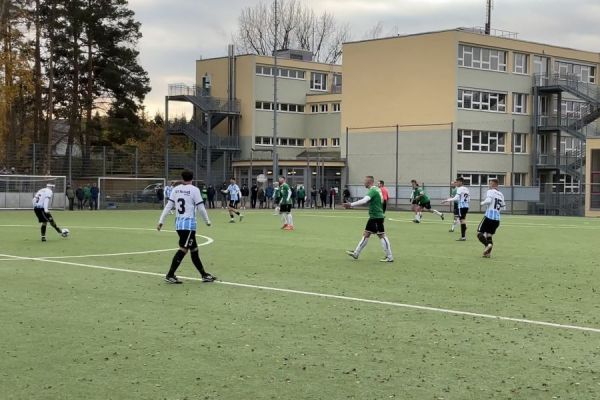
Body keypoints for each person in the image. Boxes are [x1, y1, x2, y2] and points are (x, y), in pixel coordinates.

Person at [157, 170, 217, 284]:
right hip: (188, 225)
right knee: (183, 250)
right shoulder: (194, 190)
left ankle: (204, 275)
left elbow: (168, 206)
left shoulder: (176, 189)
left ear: (182, 178)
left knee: (194, 250)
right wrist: (207, 221)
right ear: (192, 178)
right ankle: (170, 275)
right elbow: (201, 207)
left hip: (179, 225)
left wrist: (161, 221)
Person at [343, 176, 393, 263]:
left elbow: (364, 200)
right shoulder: (376, 189)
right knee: (366, 234)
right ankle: (356, 253)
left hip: (376, 217)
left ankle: (389, 256)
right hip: (374, 216)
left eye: (365, 181)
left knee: (382, 235)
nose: (363, 183)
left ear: (369, 182)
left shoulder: (373, 190)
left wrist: (351, 204)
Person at [477, 179, 505, 258]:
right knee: (489, 235)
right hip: (497, 219)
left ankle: (487, 245)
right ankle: (488, 254)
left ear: (493, 185)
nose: (489, 185)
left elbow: (488, 200)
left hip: (489, 217)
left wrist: (482, 203)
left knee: (479, 233)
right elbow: (503, 207)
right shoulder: (501, 194)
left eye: (490, 184)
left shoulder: (490, 191)